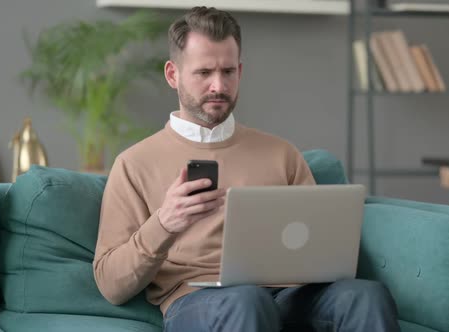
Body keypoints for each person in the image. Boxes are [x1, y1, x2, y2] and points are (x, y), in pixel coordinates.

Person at [93, 6, 400, 332]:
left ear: (240, 71)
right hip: (197, 300)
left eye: (228, 72)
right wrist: (165, 223)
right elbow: (111, 284)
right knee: (247, 300)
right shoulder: (134, 164)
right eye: (203, 73)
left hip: (288, 294)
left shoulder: (282, 154)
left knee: (366, 295)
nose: (218, 85)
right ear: (173, 75)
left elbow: (322, 248)